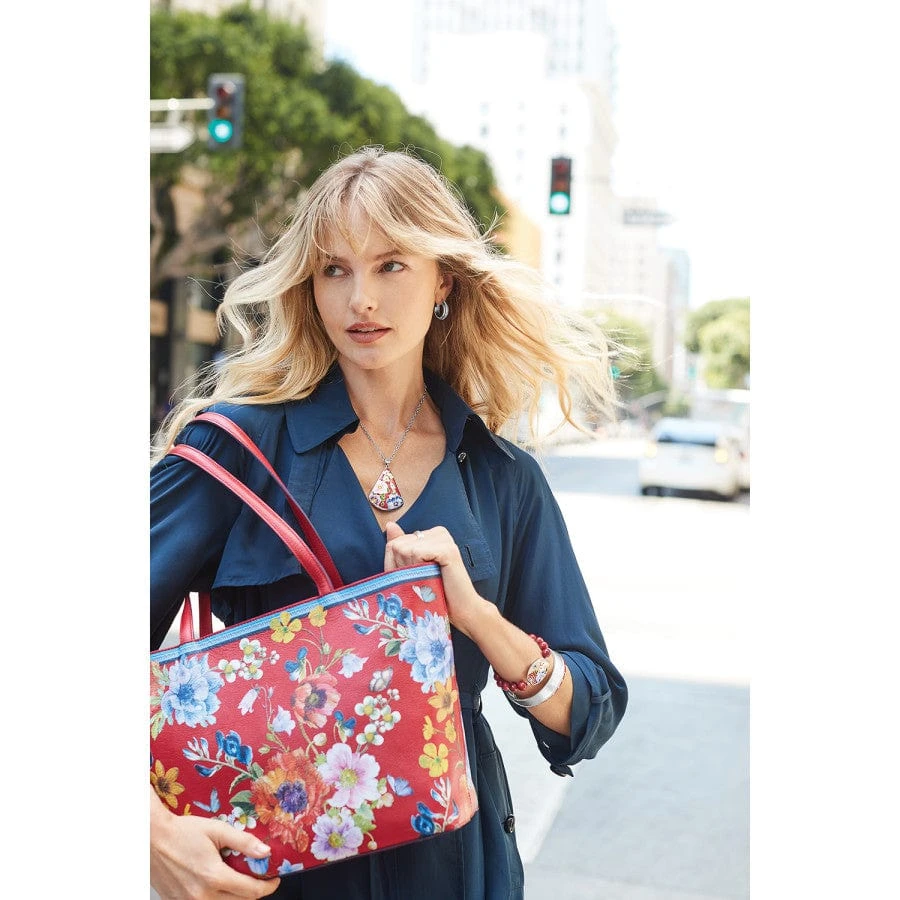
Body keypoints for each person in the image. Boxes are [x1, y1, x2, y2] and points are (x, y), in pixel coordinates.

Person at [150, 146, 628, 900]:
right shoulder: (235, 452)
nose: (360, 299)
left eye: (391, 265)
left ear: (444, 280)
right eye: (334, 270)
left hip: (458, 871)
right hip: (276, 872)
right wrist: (151, 831)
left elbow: (587, 713)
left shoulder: (504, 479)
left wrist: (478, 619)